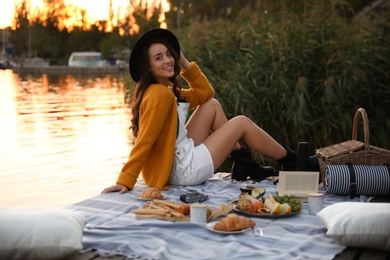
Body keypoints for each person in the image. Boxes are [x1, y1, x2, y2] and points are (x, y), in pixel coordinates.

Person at [102, 28, 298, 194]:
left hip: (177, 157)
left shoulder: (166, 91)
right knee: (241, 122)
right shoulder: (159, 95)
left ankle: (242, 161)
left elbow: (205, 93)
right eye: (158, 58)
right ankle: (290, 161)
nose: (168, 60)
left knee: (211, 105)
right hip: (182, 170)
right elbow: (144, 140)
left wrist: (184, 63)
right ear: (149, 67)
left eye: (169, 54)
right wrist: (126, 180)